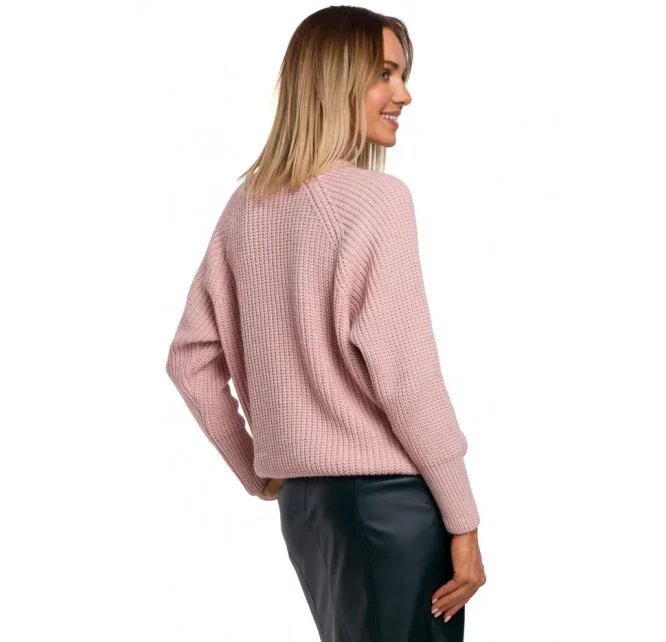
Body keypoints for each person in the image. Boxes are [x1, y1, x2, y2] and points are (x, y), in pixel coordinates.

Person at [165, 6, 486, 641]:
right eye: (385, 74)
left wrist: (260, 467)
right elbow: (406, 379)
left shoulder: (247, 206)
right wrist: (463, 518)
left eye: (403, 75)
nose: (404, 94)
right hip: (390, 506)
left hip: (308, 508)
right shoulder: (377, 201)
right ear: (335, 79)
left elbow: (190, 359)